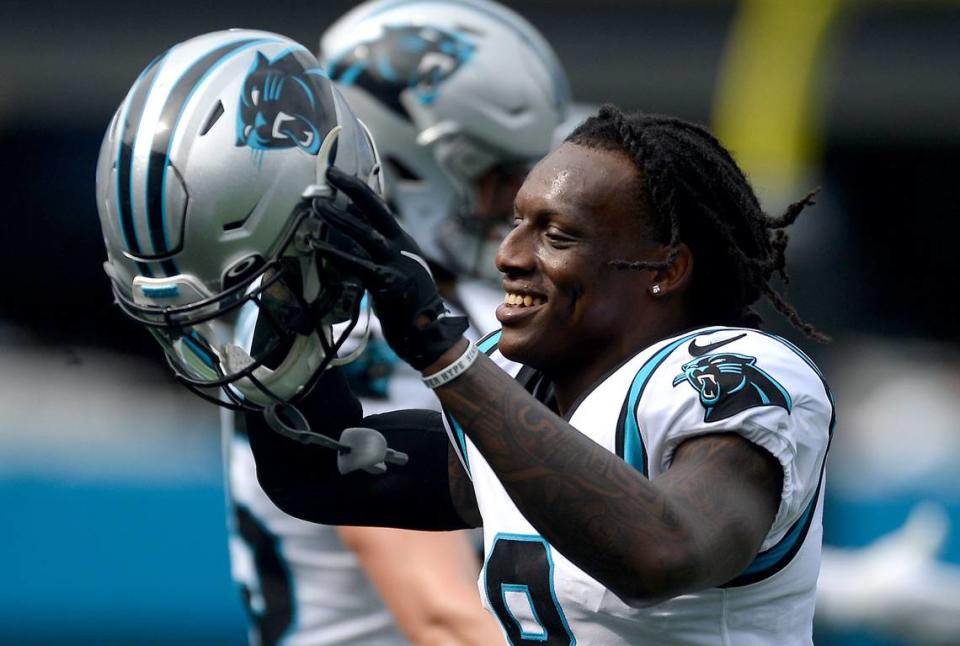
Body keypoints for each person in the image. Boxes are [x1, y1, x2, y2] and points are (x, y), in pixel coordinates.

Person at [241, 105, 834, 645]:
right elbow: (318, 473)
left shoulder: (738, 373)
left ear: (667, 268)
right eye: (516, 222)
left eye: (556, 234)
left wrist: (444, 354)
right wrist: (288, 304)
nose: (511, 255)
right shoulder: (520, 381)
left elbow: (662, 555)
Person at [95, 3, 570, 643]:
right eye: (496, 176)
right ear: (405, 164)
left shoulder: (445, 302)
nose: (516, 206)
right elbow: (443, 618)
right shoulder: (350, 325)